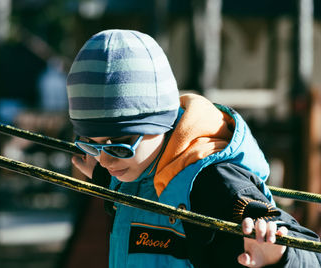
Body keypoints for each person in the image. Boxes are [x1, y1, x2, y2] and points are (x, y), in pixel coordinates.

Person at [66, 29, 321, 267]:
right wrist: (104, 171)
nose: (106, 161)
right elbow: (136, 177)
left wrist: (280, 258)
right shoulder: (132, 171)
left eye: (119, 147)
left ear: (160, 122)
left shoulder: (214, 183)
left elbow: (310, 252)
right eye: (92, 146)